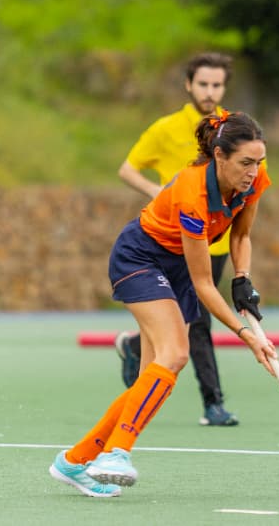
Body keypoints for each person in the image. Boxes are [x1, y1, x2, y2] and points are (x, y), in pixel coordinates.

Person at [49, 110, 276, 498]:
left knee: (153, 376)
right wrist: (246, 336)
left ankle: (74, 460)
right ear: (220, 157)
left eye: (258, 162)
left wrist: (242, 277)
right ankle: (116, 454)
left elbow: (241, 235)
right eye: (245, 163)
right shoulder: (192, 191)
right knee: (173, 355)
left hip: (178, 267)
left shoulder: (253, 181)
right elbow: (204, 283)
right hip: (142, 257)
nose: (253, 171)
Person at [114, 52, 240, 426]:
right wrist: (159, 194)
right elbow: (127, 169)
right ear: (188, 85)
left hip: (213, 243)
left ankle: (133, 347)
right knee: (196, 319)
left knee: (192, 319)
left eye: (217, 84)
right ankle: (212, 404)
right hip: (174, 241)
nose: (209, 91)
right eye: (203, 84)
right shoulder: (166, 128)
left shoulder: (232, 130)